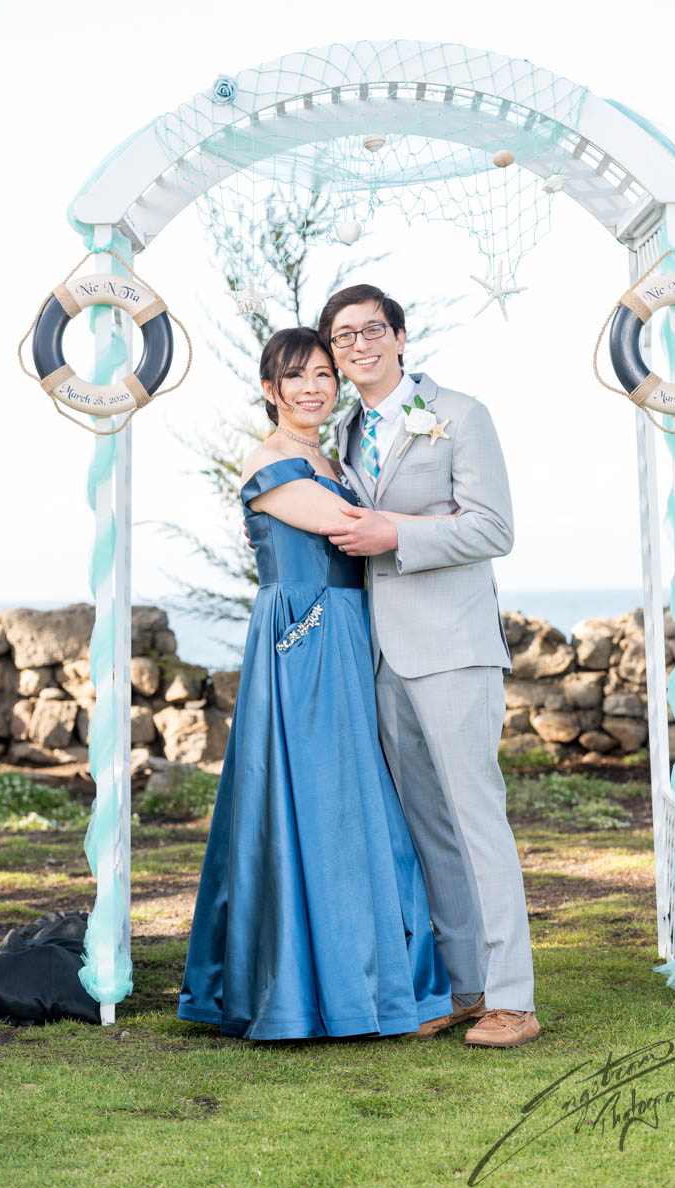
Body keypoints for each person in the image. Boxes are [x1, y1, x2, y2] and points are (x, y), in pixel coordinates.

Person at [177, 327, 453, 1040]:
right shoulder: (269, 460)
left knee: (360, 800)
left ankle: (369, 976)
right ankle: (319, 987)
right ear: (269, 389)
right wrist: (450, 521)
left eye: (323, 374)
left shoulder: (333, 458)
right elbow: (349, 525)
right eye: (295, 376)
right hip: (305, 637)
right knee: (321, 800)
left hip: (352, 627)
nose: (312, 388)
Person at [316, 284, 539, 1048]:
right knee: (428, 830)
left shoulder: (461, 414)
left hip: (452, 648)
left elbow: (492, 528)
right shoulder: (343, 429)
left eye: (371, 330)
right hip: (381, 656)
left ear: (400, 337)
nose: (359, 345)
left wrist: (397, 533)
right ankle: (464, 985)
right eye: (343, 337)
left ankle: (514, 999)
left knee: (477, 821)